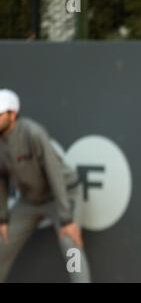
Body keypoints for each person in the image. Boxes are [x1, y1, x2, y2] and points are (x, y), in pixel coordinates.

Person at [0, 89, 90, 283]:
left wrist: (67, 218)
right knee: (2, 242)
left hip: (64, 195)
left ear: (12, 114)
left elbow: (54, 174)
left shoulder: (32, 133)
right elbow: (2, 178)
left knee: (71, 246)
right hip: (30, 201)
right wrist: (3, 217)